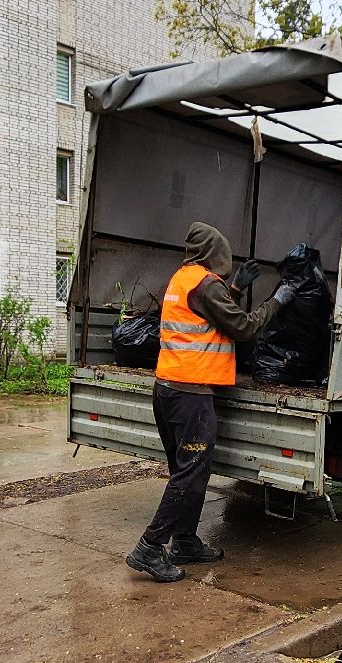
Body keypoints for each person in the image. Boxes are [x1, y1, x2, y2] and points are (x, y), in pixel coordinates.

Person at [126, 223, 294, 583]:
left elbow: (207, 316)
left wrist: (235, 289)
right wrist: (277, 300)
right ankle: (150, 547)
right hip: (190, 393)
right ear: (215, 252)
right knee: (190, 472)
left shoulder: (183, 279)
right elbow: (243, 327)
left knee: (189, 470)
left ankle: (185, 541)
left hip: (169, 389)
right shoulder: (205, 283)